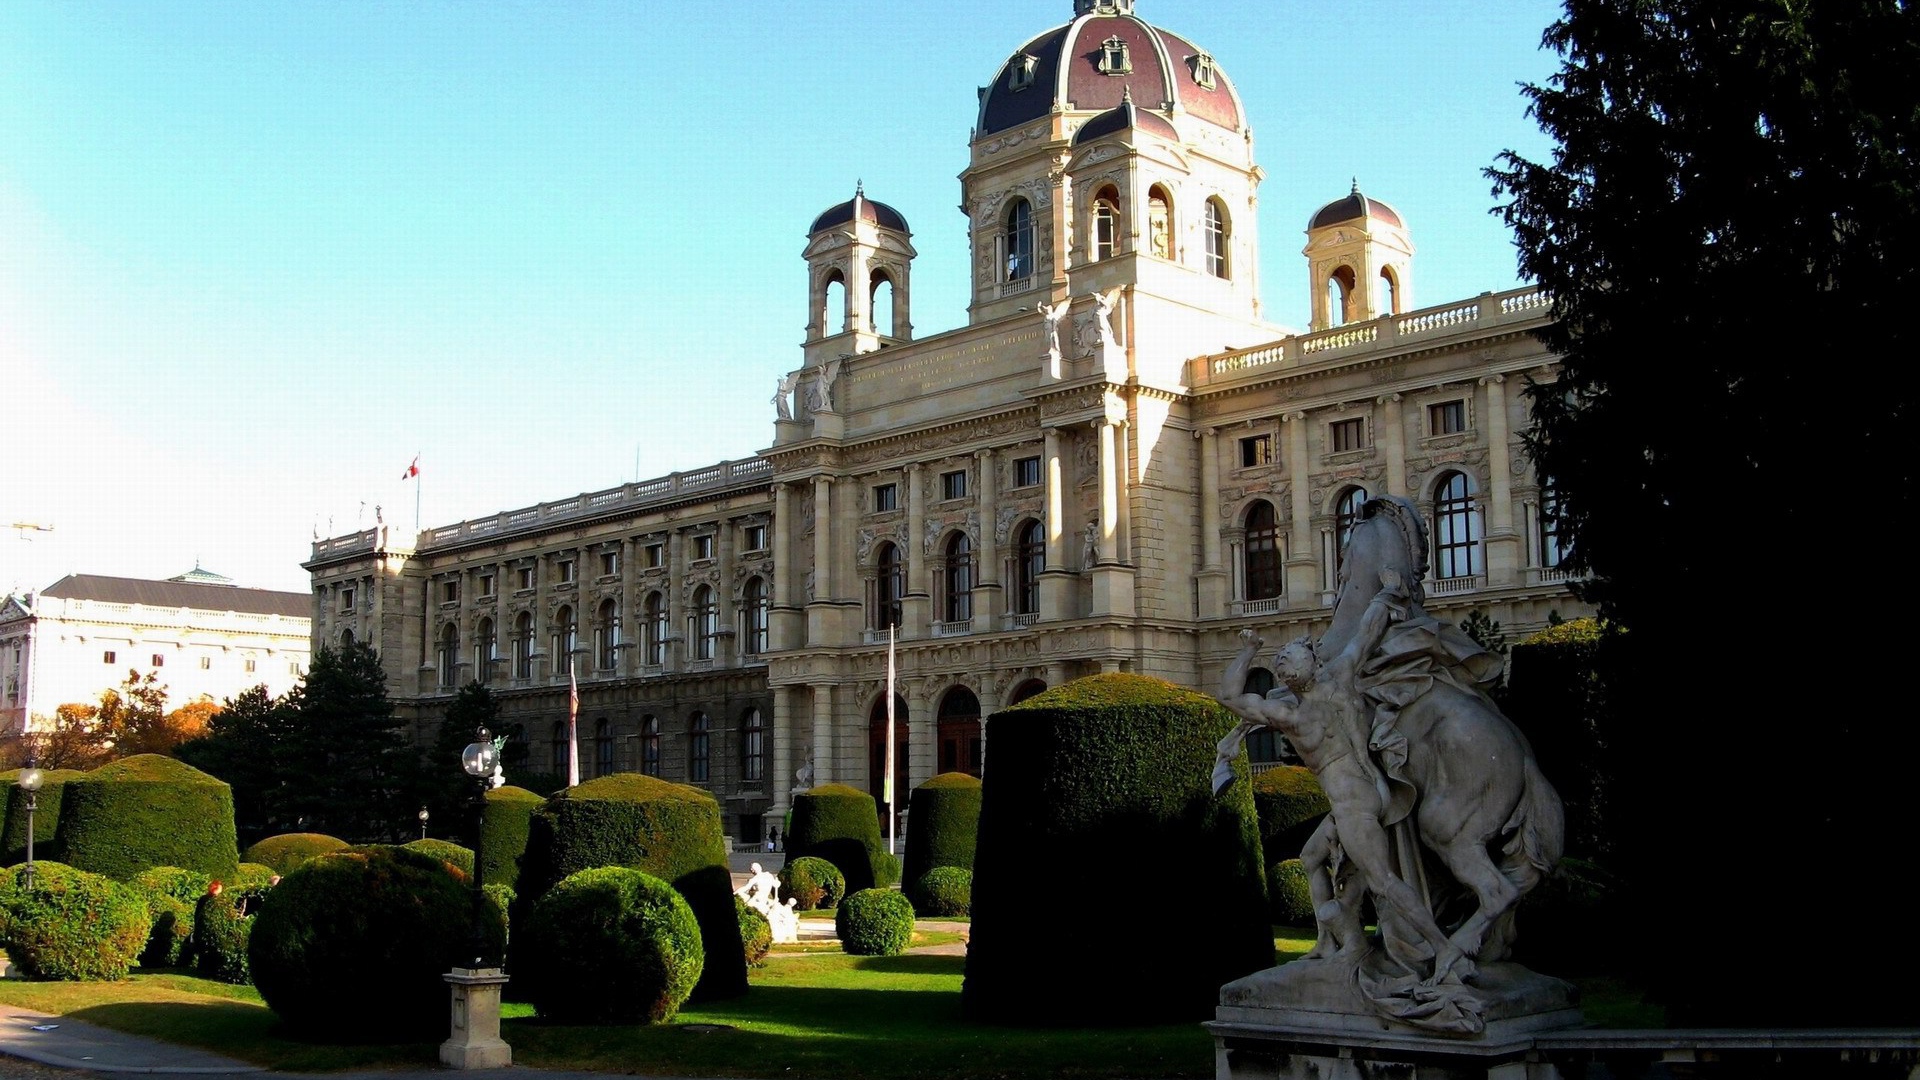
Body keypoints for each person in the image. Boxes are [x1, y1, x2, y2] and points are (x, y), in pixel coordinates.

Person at [1214, 568, 1466, 981]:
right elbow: (1366, 629)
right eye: (1277, 661)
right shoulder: (1306, 702)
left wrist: (1248, 651)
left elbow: (1230, 696)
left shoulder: (1303, 707)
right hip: (1367, 791)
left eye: (1288, 656)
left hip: (1354, 802)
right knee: (1312, 858)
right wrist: (1385, 592)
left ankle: (1443, 950)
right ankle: (1332, 941)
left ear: (1312, 662)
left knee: (1383, 881)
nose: (1280, 662)